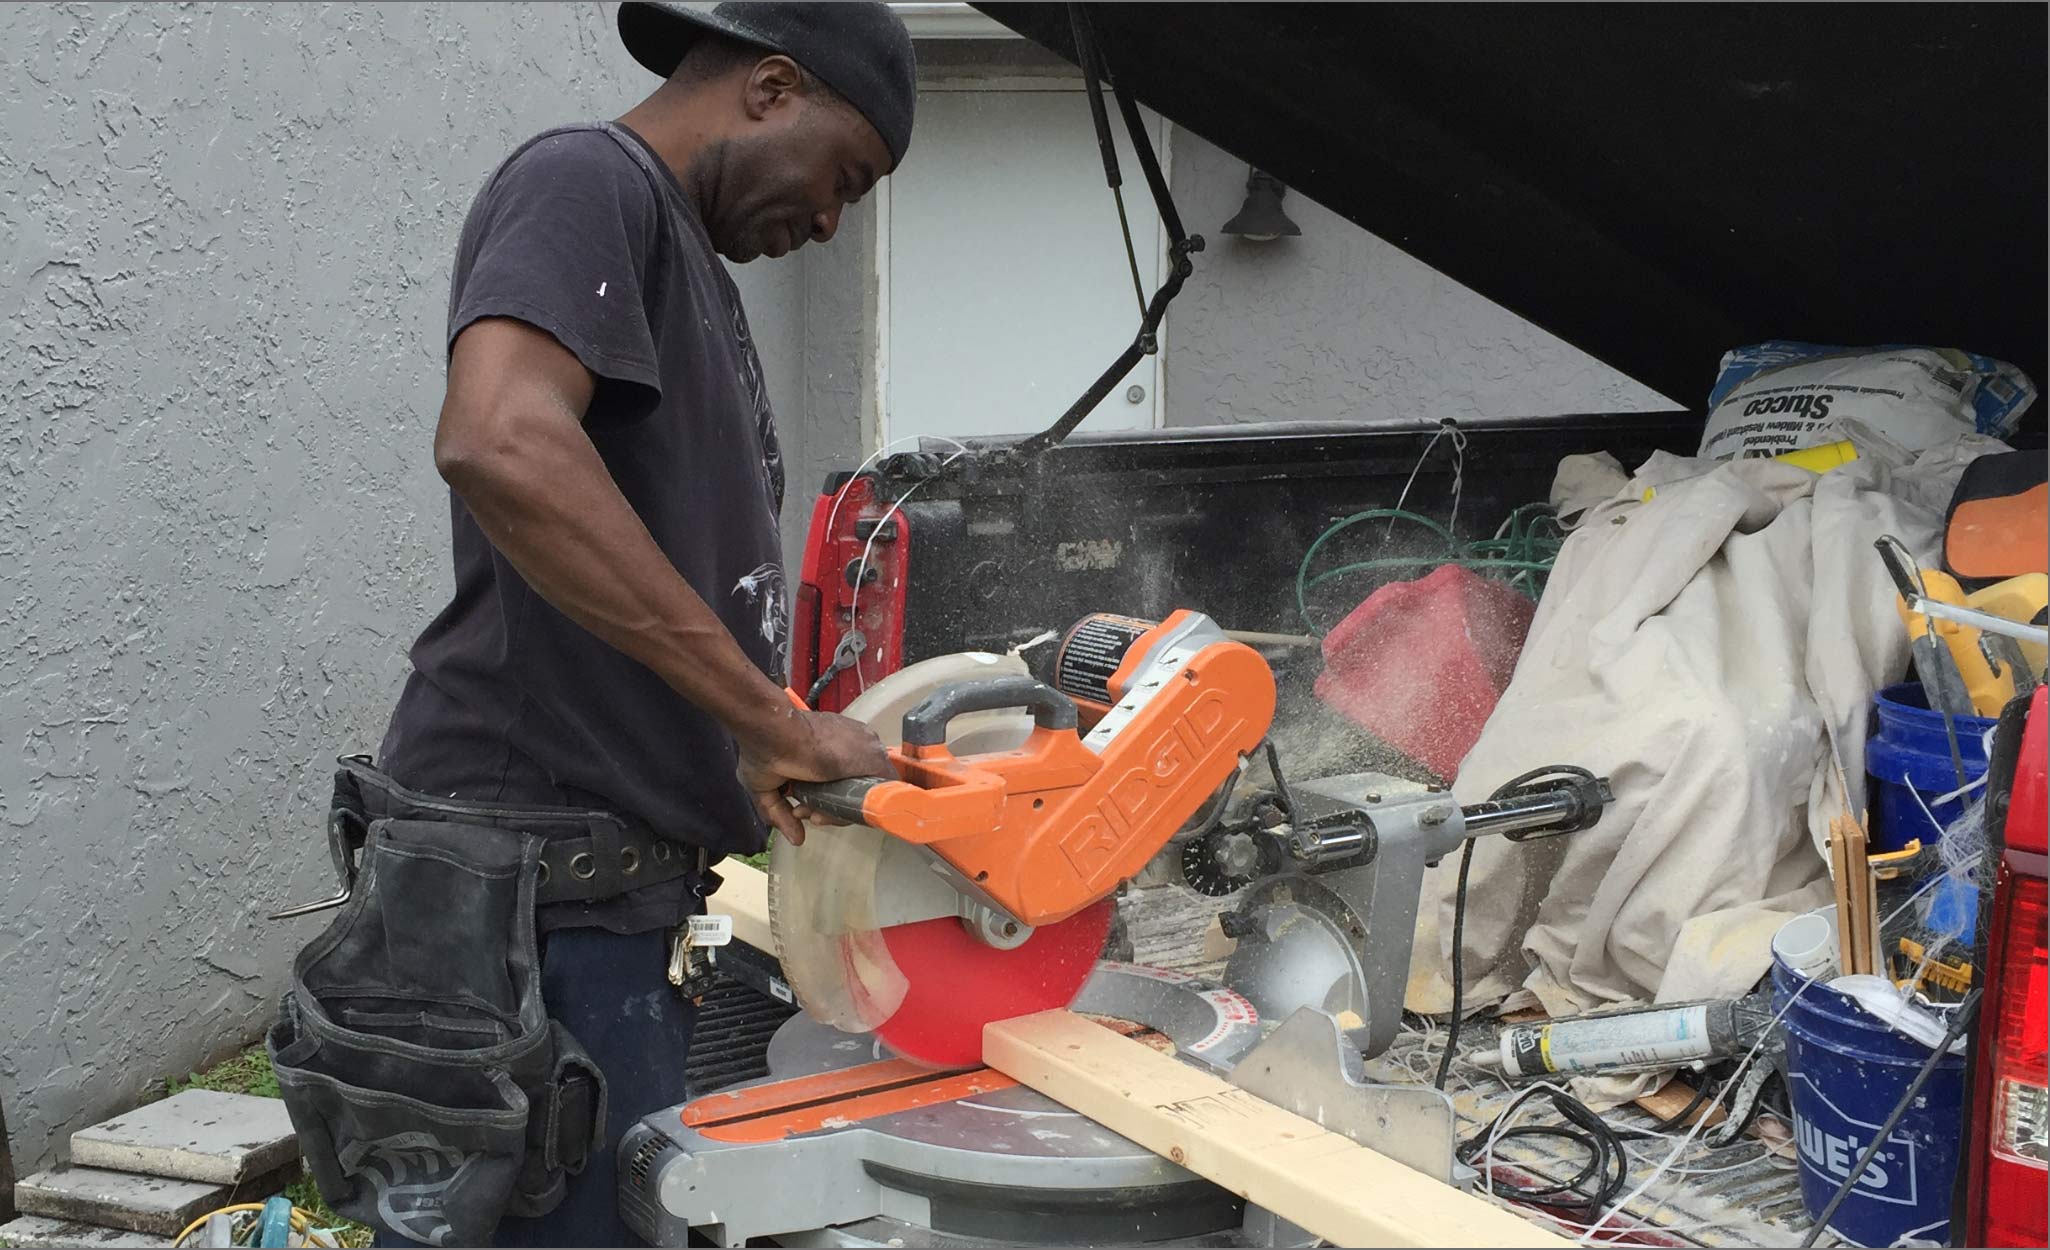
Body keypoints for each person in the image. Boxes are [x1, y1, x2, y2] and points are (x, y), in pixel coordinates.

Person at [272, 5, 915, 1246]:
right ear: (772, 88)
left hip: (602, 909)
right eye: (846, 177)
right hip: (530, 920)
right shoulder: (584, 181)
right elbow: (500, 439)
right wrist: (763, 712)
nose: (834, 221)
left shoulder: (681, 262)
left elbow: (633, 577)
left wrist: (739, 743)